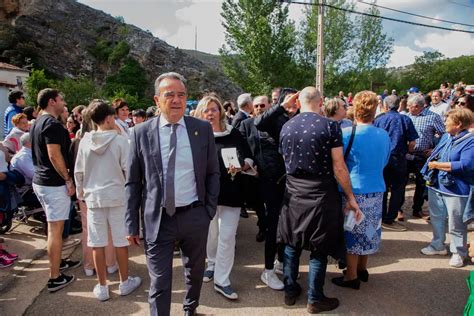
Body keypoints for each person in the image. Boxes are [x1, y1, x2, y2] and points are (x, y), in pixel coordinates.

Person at [125, 72, 220, 316]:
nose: (176, 100)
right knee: (159, 282)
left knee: (195, 272)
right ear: (157, 100)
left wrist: (208, 210)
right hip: (158, 220)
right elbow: (133, 182)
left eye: (181, 95)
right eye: (170, 95)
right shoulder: (140, 133)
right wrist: (131, 224)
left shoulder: (201, 129)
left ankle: (190, 308)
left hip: (194, 216)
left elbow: (212, 173)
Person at [278, 87, 362, 314]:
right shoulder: (330, 126)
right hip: (320, 192)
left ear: (299, 101)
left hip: (293, 191)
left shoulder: (287, 125)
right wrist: (350, 197)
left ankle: (290, 290)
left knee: (291, 242)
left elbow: (284, 159)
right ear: (321, 101)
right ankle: (314, 299)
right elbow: (339, 166)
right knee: (319, 247)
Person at [75, 100, 141, 301]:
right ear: (108, 118)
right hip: (117, 195)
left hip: (93, 197)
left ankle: (102, 286)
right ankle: (124, 281)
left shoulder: (84, 141)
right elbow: (129, 171)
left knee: (97, 242)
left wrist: (81, 194)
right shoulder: (121, 141)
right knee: (121, 241)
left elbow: (79, 172)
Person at [193, 95, 251, 300]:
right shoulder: (196, 134)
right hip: (206, 193)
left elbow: (247, 155)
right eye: (206, 110)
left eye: (214, 109)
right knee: (211, 233)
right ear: (200, 113)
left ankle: (222, 280)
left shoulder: (233, 133)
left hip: (232, 191)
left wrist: (242, 164)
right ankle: (212, 263)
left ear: (221, 112)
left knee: (227, 236)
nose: (210, 113)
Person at [331, 90, 390, 289]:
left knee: (352, 232)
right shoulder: (383, 134)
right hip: (376, 189)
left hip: (353, 191)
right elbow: (385, 161)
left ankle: (351, 276)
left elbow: (339, 164)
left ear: (355, 110)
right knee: (370, 230)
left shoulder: (347, 134)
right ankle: (363, 269)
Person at [30, 88, 80, 292]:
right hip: (53, 184)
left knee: (55, 229)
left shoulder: (37, 123)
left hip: (42, 182)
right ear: (52, 101)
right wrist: (68, 179)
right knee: (55, 230)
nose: (63, 102)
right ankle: (54, 276)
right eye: (61, 99)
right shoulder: (51, 124)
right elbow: (54, 154)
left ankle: (58, 263)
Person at [240, 95, 286, 290]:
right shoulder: (246, 124)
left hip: (282, 181)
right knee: (270, 224)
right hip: (257, 182)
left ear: (269, 106)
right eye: (256, 105)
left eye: (262, 105)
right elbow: (241, 148)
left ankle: (281, 262)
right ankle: (268, 269)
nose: (259, 108)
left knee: (282, 224)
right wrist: (249, 163)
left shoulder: (279, 123)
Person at [420, 109, 474, 267]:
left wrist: (437, 165)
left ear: (458, 124)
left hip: (457, 189)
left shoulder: (470, 141)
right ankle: (437, 245)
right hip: (437, 185)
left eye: (447, 120)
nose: (444, 123)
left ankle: (458, 252)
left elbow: (466, 165)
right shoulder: (446, 136)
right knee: (436, 217)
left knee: (456, 223)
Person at [374, 95, 419, 226]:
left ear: (385, 106)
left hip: (383, 158)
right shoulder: (405, 119)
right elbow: (412, 142)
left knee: (383, 188)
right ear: (399, 105)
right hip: (399, 158)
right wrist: (408, 151)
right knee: (397, 189)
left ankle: (381, 216)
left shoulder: (379, 119)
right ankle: (390, 217)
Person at [406, 94, 445, 218]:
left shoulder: (433, 117)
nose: (407, 108)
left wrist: (434, 150)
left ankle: (417, 209)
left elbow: (445, 136)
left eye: (409, 106)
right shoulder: (406, 117)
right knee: (400, 183)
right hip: (406, 155)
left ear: (416, 106)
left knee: (421, 183)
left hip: (422, 156)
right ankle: (398, 210)